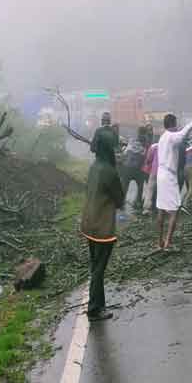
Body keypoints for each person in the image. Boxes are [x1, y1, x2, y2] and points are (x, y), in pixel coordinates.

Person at [80, 128, 125, 322]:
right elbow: (120, 200)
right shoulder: (109, 171)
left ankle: (98, 304)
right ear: (108, 149)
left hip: (89, 223)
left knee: (95, 266)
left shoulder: (94, 166)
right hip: (102, 228)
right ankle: (95, 308)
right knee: (99, 269)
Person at [155, 112, 192, 250]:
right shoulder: (171, 136)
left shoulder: (162, 137)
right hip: (169, 175)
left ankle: (159, 242)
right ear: (173, 124)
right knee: (174, 210)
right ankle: (168, 242)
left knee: (161, 209)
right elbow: (182, 135)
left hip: (161, 174)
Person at [120, 127, 148, 209]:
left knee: (125, 185)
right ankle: (138, 202)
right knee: (140, 187)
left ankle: (121, 201)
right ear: (145, 133)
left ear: (138, 132)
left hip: (127, 167)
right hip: (139, 169)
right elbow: (146, 156)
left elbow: (125, 153)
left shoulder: (131, 141)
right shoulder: (146, 143)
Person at [142, 141, 158, 216]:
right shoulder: (168, 145)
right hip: (165, 171)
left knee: (150, 189)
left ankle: (146, 209)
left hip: (154, 170)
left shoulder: (154, 146)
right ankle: (159, 207)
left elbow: (148, 159)